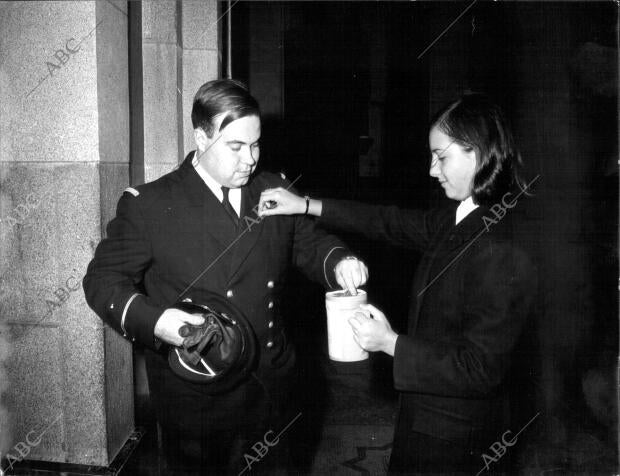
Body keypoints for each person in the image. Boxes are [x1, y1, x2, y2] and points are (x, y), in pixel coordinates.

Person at [82, 79, 368, 475]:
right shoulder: (151, 204)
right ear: (201, 137)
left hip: (270, 382)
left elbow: (306, 242)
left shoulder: (274, 189)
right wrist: (157, 322)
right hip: (197, 391)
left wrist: (338, 260)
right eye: (235, 146)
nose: (249, 159)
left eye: (255, 144)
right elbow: (102, 280)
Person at [259, 93, 538, 474]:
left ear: (477, 153)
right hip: (430, 416)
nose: (432, 170)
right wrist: (305, 204)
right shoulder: (465, 215)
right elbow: (388, 222)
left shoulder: (502, 246)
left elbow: (479, 369)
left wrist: (389, 343)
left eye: (441, 157)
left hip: (458, 437)